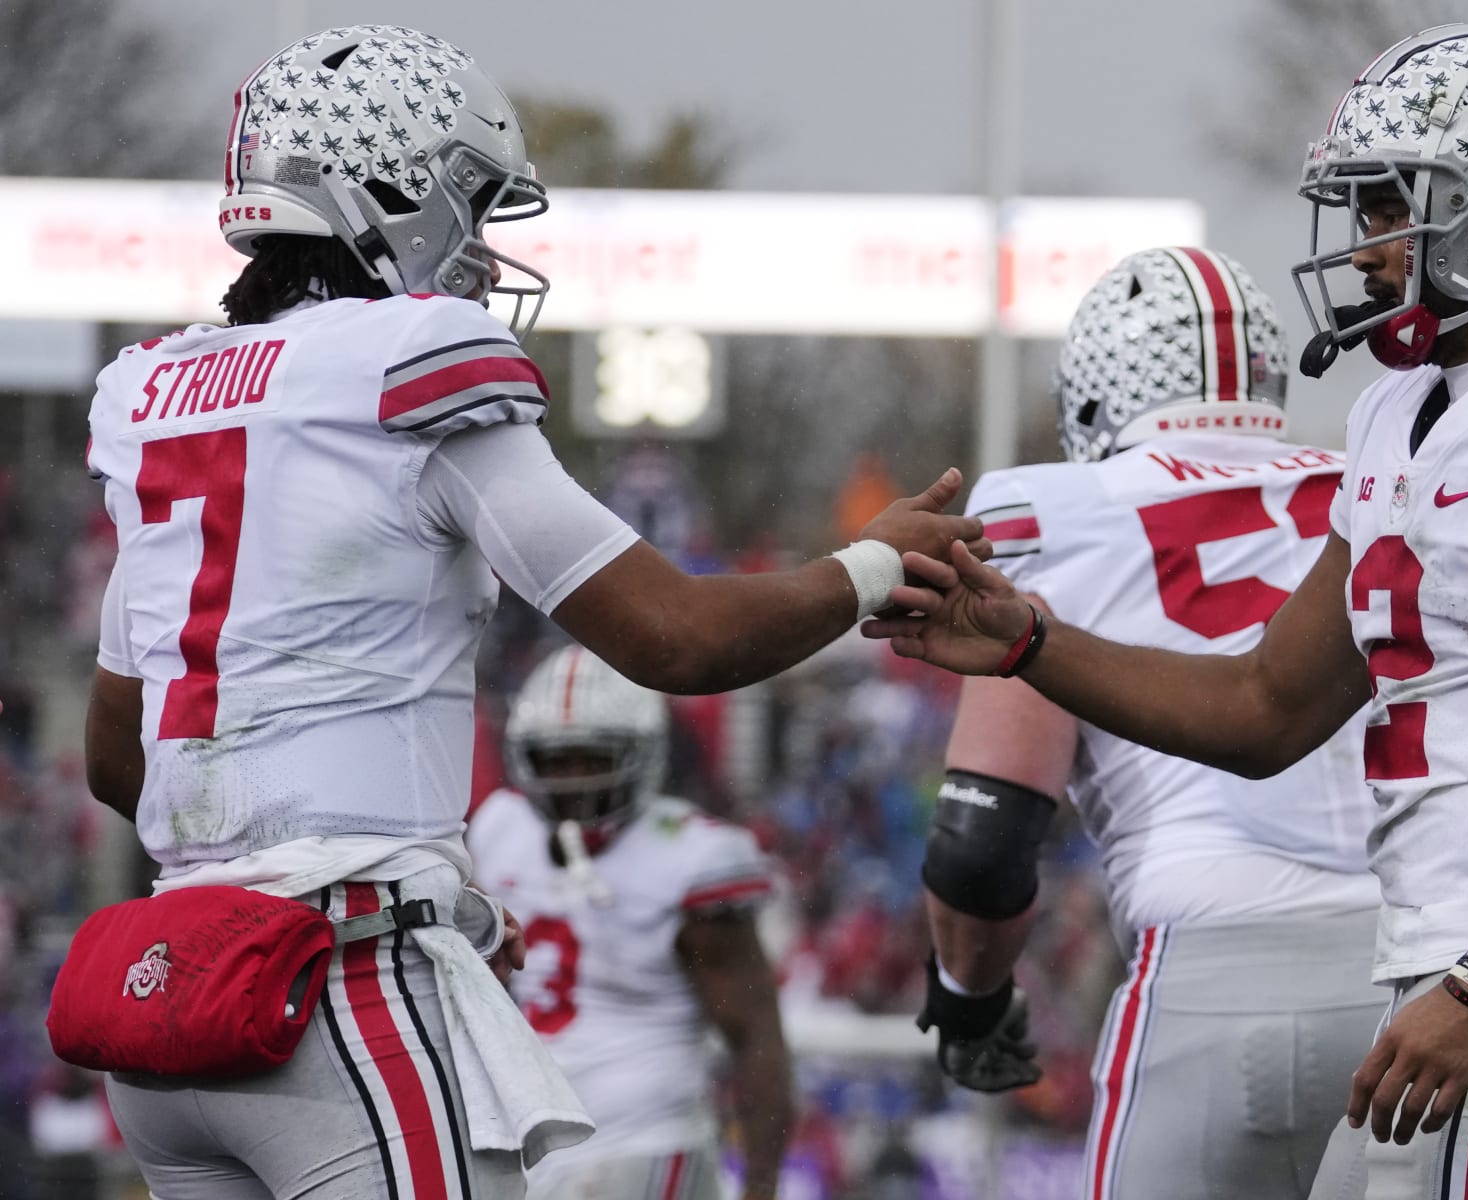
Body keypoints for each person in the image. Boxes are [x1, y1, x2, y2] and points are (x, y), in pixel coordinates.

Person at [81, 24, 984, 1200]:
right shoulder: (408, 360)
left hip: (172, 1006)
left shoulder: (156, 394)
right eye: (472, 204)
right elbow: (676, 636)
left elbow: (119, 756)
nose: (482, 246)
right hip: (332, 987)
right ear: (395, 193)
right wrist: (867, 566)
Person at [867, 24, 1468, 1199]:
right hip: (1433, 957)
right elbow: (1264, 706)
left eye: (1393, 205)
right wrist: (1029, 641)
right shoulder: (1392, 418)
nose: (1367, 245)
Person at [913, 246, 1385, 1199]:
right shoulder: (1377, 480)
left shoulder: (1047, 510)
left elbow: (982, 845)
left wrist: (969, 999)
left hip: (1216, 968)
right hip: (1423, 971)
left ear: (1091, 393)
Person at [468, 647, 790, 1200]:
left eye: (593, 759)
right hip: (524, 1136)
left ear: (642, 753)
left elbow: (755, 1035)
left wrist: (760, 1185)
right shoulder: (499, 827)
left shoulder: (691, 857)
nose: (572, 780)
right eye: (555, 760)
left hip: (644, 1139)